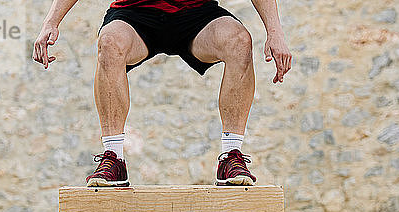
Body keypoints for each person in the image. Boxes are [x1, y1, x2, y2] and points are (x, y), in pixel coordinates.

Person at [33, 0, 291, 186]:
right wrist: (50, 22)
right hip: (135, 13)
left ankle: (230, 156)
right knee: (109, 42)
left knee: (239, 40)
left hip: (196, 13)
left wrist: (275, 32)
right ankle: (114, 158)